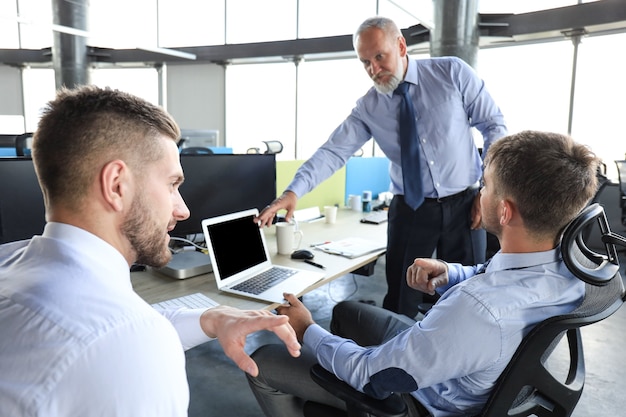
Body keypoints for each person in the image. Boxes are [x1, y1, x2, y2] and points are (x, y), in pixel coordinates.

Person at [246, 130, 600, 417]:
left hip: (424, 401)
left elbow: (371, 376)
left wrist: (305, 328)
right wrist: (450, 272)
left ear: (505, 212)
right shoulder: (566, 268)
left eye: (486, 185)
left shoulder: (476, 309)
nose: (480, 192)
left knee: (261, 361)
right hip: (468, 359)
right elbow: (492, 274)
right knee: (345, 311)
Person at [0, 85, 301, 416]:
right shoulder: (135, 348)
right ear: (117, 186)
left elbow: (101, 331)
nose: (183, 210)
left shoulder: (11, 261)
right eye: (172, 185)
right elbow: (118, 337)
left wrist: (211, 319)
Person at [255, 16, 508, 318]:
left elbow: (494, 125)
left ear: (401, 46)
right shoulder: (368, 107)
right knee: (401, 298)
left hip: (467, 203)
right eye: (365, 62)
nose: (373, 70)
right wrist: (294, 191)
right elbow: (334, 151)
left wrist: (486, 189)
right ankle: (394, 360)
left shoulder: (451, 73)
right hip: (411, 209)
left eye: (379, 57)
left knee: (465, 295)